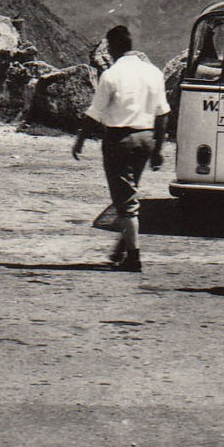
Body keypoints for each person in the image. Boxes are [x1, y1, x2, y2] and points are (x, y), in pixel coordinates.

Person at [72, 25, 170, 273]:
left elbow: (94, 113)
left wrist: (80, 140)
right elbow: (162, 114)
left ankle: (133, 257)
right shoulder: (153, 72)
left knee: (125, 202)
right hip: (146, 138)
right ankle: (121, 248)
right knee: (130, 192)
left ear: (112, 48)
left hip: (120, 140)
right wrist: (158, 148)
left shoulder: (112, 75)